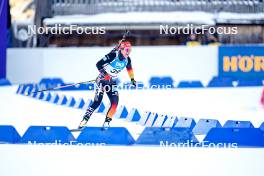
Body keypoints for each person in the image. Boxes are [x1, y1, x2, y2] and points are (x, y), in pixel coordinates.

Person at [78, 40, 136, 129]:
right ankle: (84, 121)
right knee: (97, 102)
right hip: (101, 80)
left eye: (130, 50)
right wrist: (105, 74)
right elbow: (98, 64)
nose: (128, 52)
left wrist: (132, 79)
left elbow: (129, 69)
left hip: (111, 83)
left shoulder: (128, 59)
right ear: (121, 49)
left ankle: (106, 123)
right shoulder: (113, 55)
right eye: (127, 50)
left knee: (115, 102)